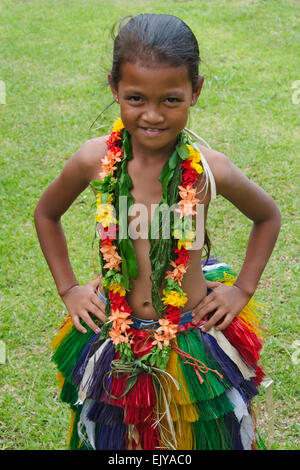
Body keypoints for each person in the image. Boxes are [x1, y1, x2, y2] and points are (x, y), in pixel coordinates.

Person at [34, 14, 281, 450]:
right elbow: (46, 214)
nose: (152, 115)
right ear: (114, 88)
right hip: (116, 328)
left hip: (191, 331)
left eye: (170, 100)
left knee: (204, 437)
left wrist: (242, 289)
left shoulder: (209, 168)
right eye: (135, 98)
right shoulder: (94, 159)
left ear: (196, 91)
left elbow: (267, 216)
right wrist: (69, 288)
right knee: (118, 439)